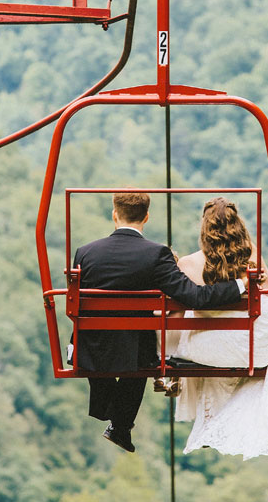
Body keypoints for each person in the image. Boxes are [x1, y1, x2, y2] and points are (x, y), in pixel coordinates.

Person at [72, 191, 247, 453]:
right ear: (146, 217)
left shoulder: (85, 253)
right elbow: (194, 297)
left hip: (92, 345)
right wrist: (238, 286)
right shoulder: (156, 255)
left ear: (114, 215)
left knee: (110, 345)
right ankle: (119, 424)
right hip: (135, 350)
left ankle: (117, 422)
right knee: (140, 355)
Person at [165, 197, 268, 459]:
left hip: (210, 348)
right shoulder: (251, 256)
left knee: (193, 335)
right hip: (251, 346)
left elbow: (175, 310)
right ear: (237, 225)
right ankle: (220, 422)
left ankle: (207, 417)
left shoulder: (188, 264)